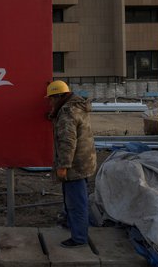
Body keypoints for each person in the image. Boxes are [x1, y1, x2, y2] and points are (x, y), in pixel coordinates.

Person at [46, 80, 97, 248]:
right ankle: (72, 226)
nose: (50, 103)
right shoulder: (77, 106)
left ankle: (79, 238)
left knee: (76, 203)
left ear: (59, 97)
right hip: (85, 162)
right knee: (75, 199)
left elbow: (67, 142)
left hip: (74, 165)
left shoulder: (67, 113)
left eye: (51, 99)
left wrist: (63, 166)